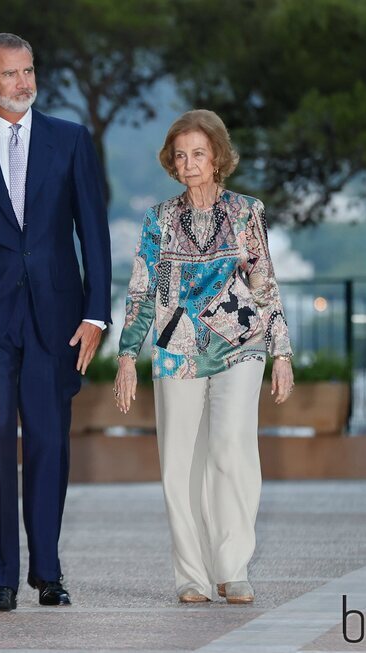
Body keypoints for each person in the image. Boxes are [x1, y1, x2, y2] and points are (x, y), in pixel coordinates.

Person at [0, 33, 112, 612]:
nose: (24, 83)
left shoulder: (71, 141)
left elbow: (94, 232)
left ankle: (49, 572)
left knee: (49, 445)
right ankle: (0, 580)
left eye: (30, 71)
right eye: (11, 74)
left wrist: (95, 313)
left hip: (57, 319)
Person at [114, 110, 293, 605]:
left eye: (198, 153)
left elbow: (264, 283)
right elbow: (142, 291)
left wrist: (281, 350)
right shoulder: (158, 220)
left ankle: (233, 569)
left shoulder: (245, 213)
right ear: (172, 163)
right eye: (180, 155)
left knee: (230, 448)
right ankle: (192, 575)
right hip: (177, 345)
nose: (189, 163)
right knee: (179, 463)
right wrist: (128, 355)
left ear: (217, 156)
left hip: (241, 342)